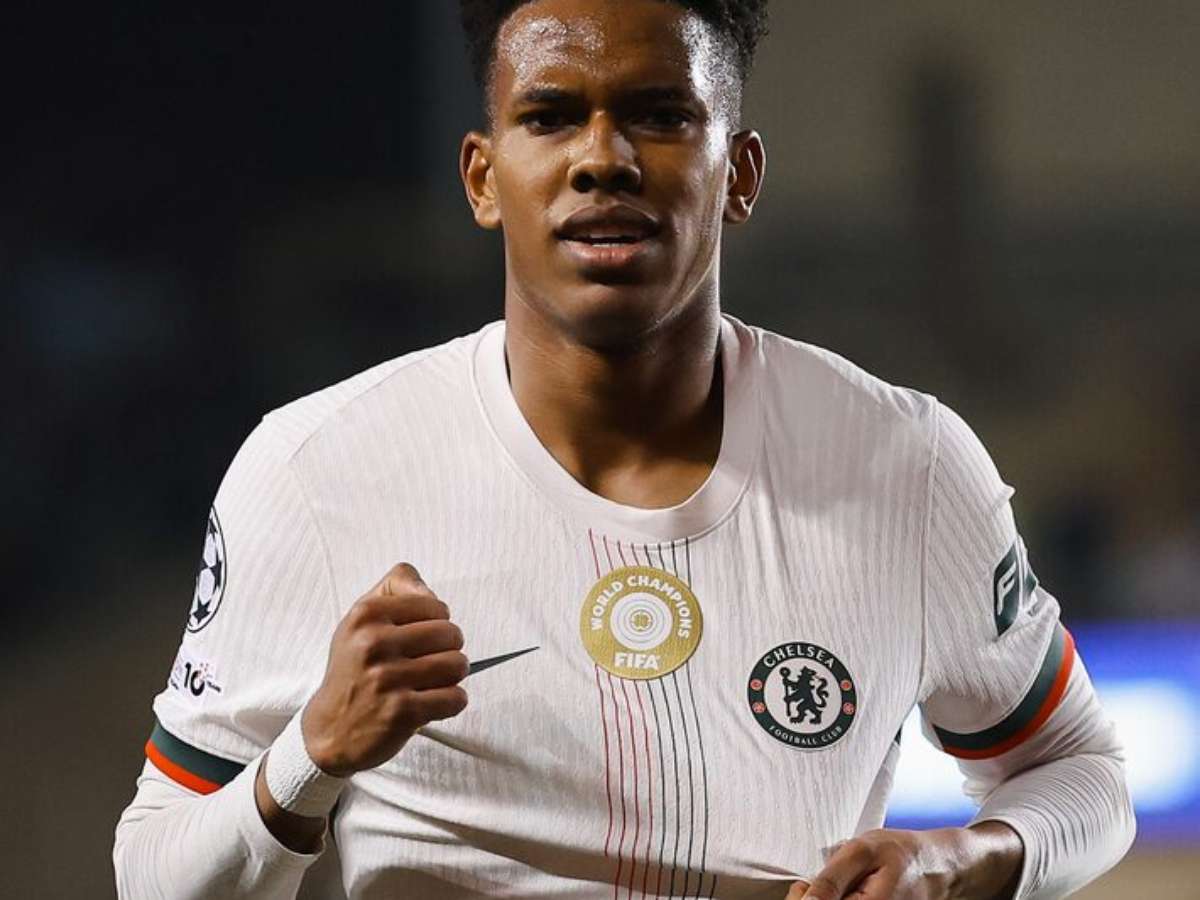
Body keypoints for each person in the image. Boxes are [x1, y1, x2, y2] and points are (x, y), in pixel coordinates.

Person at [113, 1, 1135, 897]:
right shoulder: (315, 470)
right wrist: (309, 758)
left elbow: (1081, 772)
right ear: (482, 178)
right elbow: (151, 874)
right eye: (550, 116)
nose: (602, 157)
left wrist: (959, 861)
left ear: (740, 175)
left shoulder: (906, 464)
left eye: (659, 114)